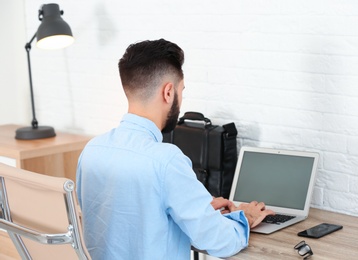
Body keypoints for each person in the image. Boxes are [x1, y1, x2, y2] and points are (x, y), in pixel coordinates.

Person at [76, 39, 274, 259]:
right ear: (168, 92)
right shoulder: (166, 161)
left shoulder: (93, 150)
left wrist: (197, 208)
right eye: (182, 91)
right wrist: (244, 217)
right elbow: (220, 242)